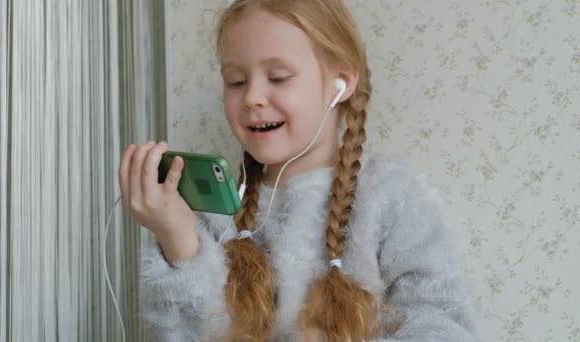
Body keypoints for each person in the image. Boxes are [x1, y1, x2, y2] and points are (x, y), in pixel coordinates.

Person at [118, 0, 478, 341]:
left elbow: (444, 325)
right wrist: (178, 239)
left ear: (340, 85)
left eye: (278, 77)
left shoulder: (392, 196)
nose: (252, 97)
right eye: (236, 82)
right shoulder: (215, 215)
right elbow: (185, 333)